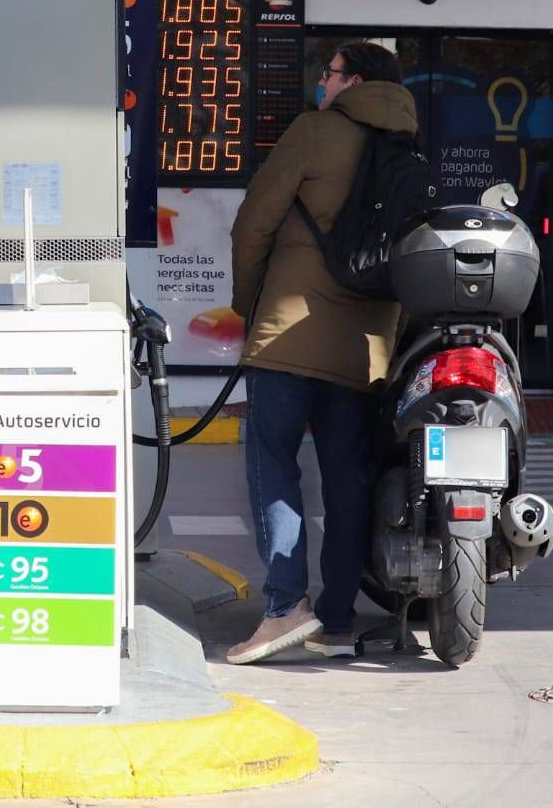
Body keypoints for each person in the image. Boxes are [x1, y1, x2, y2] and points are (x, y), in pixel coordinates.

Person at [226, 41, 419, 664]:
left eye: (329, 73)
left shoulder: (313, 132)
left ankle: (286, 605)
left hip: (289, 335)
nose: (321, 82)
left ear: (353, 81)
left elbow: (254, 221)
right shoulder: (409, 149)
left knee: (273, 461)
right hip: (365, 348)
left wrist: (251, 305)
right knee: (347, 479)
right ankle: (336, 619)